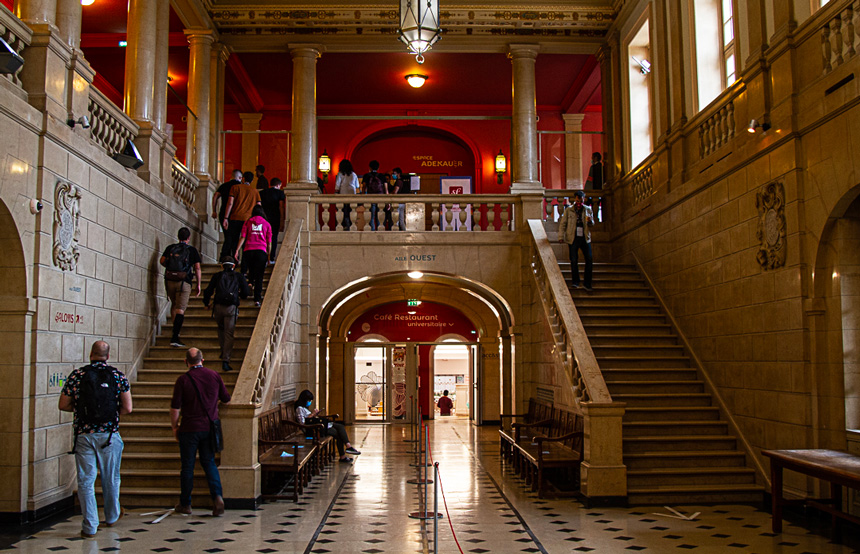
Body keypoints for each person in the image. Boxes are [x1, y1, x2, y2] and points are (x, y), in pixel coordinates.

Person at [58, 341, 132, 538]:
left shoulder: (78, 375)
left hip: (84, 434)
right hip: (109, 435)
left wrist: (81, 410)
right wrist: (111, 415)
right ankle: (112, 516)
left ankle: (90, 525)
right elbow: (128, 407)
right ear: (108, 356)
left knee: (85, 480)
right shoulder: (117, 376)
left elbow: (63, 404)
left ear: (91, 354)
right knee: (111, 477)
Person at [170, 348, 230, 517]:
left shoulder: (183, 380)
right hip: (209, 427)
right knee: (209, 463)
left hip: (189, 428)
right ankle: (217, 497)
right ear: (203, 360)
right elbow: (226, 398)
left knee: (187, 467)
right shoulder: (214, 375)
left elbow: (175, 408)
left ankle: (186, 504)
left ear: (186, 362)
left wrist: (175, 427)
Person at [202, 256, 250, 371]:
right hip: (231, 308)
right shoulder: (238, 276)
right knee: (229, 333)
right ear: (234, 266)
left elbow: (208, 290)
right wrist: (241, 296)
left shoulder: (217, 276)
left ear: (222, 265)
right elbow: (246, 292)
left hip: (218, 307)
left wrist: (206, 303)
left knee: (220, 329)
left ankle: (223, 350)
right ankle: (225, 360)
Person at [160, 227, 202, 347]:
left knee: (174, 305)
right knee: (180, 309)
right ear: (189, 238)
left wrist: (171, 268)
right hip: (184, 281)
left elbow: (162, 261)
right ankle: (175, 337)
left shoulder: (170, 248)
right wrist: (198, 284)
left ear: (178, 237)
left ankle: (175, 331)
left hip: (170, 280)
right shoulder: (192, 251)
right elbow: (197, 268)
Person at [295, 389, 360, 463]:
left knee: (340, 427)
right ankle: (344, 454)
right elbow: (302, 423)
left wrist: (315, 415)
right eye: (309, 400)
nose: (309, 402)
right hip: (314, 429)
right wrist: (312, 414)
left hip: (317, 426)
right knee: (338, 434)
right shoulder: (299, 409)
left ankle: (348, 447)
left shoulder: (304, 408)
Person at [557, 190, 595, 291]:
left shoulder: (587, 209)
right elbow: (563, 223)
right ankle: (576, 281)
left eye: (581, 201)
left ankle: (587, 283)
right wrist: (561, 236)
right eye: (578, 201)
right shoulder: (569, 210)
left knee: (589, 259)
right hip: (572, 237)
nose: (579, 203)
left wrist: (590, 221)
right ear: (575, 199)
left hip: (585, 237)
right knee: (574, 260)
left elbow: (592, 224)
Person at [234, 205, 272, 306]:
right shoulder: (267, 224)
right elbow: (269, 242)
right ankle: (257, 299)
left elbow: (243, 237)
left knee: (250, 269)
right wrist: (269, 256)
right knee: (259, 276)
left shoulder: (248, 222)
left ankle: (250, 283)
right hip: (261, 251)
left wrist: (237, 250)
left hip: (248, 250)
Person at [222, 172, 261, 265]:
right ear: (252, 180)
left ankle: (233, 260)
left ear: (243, 178)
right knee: (246, 242)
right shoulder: (255, 192)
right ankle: (244, 262)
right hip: (248, 220)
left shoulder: (235, 188)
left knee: (233, 240)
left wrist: (225, 217)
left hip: (235, 217)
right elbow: (259, 206)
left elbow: (230, 203)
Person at [214, 169, 242, 259]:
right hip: (236, 214)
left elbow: (215, 196)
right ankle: (233, 256)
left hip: (223, 213)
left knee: (227, 236)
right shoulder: (240, 187)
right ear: (240, 178)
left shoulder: (224, 186)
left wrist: (214, 210)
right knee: (235, 236)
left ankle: (225, 256)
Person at [259, 177, 286, 262]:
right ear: (278, 185)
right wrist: (282, 220)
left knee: (262, 237)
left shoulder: (262, 193)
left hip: (264, 218)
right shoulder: (280, 193)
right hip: (275, 218)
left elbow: (259, 206)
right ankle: (271, 257)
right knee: (273, 238)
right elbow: (281, 207)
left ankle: (263, 257)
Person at [361, 160, 388, 231]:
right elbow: (386, 189)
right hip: (380, 199)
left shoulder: (366, 176)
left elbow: (364, 188)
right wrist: (388, 202)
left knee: (371, 217)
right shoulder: (382, 176)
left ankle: (372, 231)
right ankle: (380, 231)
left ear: (369, 167)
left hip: (371, 198)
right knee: (380, 217)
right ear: (378, 168)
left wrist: (363, 199)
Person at [335, 159, 359, 230]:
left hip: (343, 195)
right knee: (351, 212)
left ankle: (345, 226)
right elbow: (357, 186)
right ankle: (351, 225)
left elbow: (337, 186)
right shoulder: (354, 174)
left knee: (343, 212)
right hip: (352, 196)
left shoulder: (340, 174)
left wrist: (335, 195)